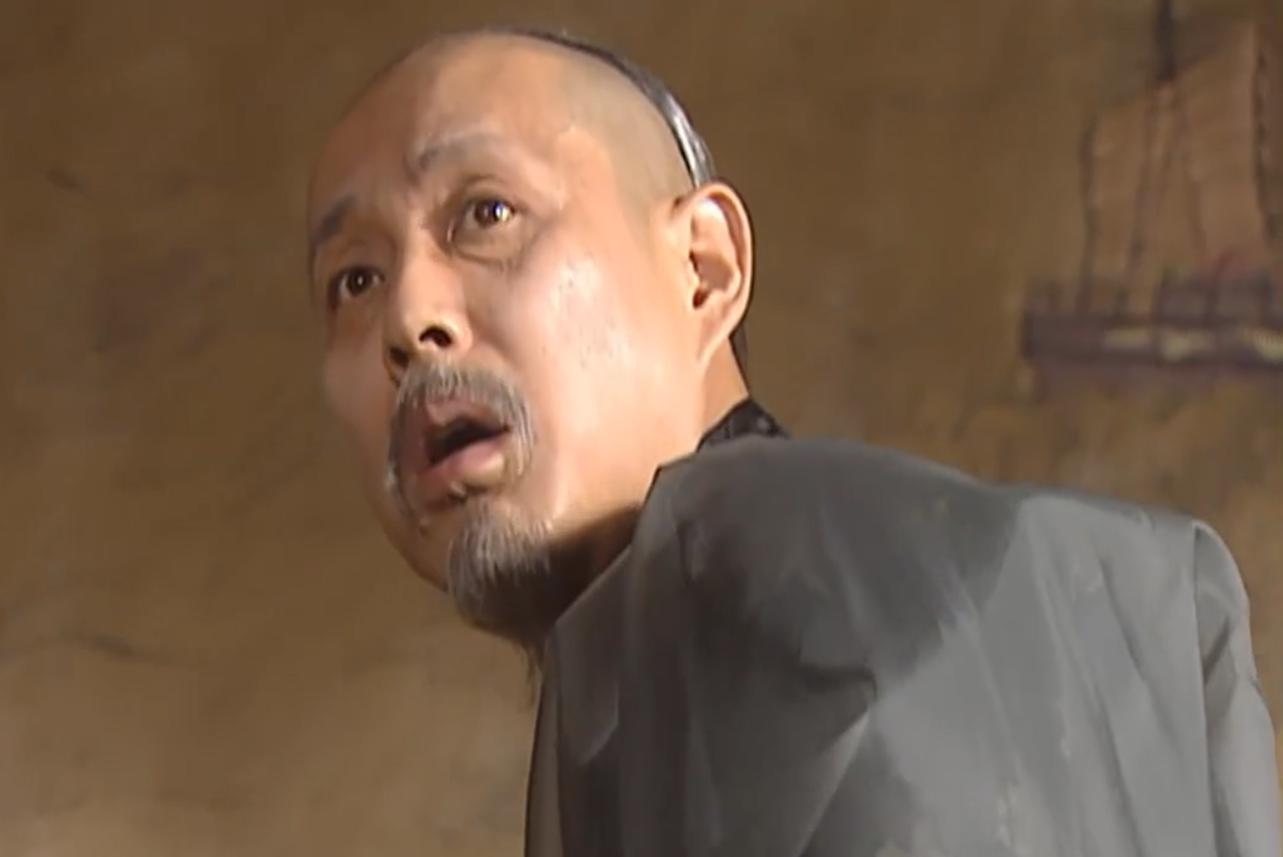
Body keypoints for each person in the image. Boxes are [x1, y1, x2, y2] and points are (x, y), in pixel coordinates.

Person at [306, 26, 1281, 857]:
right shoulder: (678, 646)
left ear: (704, 268)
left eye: (486, 214)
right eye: (353, 279)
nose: (408, 319)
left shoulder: (782, 593)